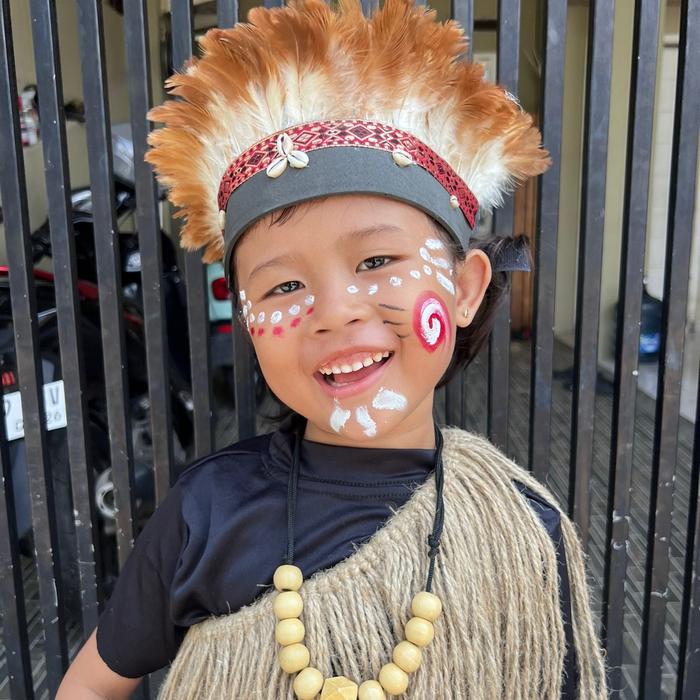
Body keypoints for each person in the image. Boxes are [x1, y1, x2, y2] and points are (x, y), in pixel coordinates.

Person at [57, 1, 607, 698]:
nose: (335, 311)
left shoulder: (521, 527)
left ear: (466, 288)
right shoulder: (207, 513)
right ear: (249, 318)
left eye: (376, 261)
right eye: (284, 285)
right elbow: (91, 684)